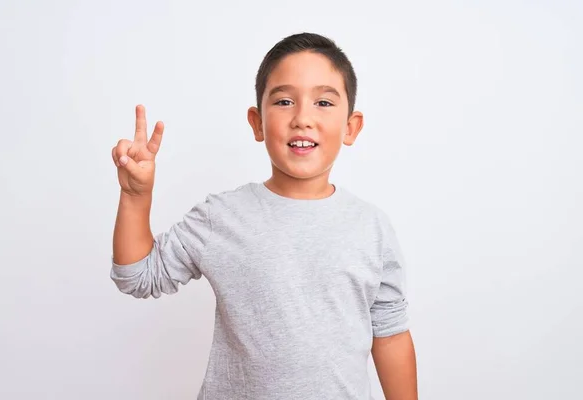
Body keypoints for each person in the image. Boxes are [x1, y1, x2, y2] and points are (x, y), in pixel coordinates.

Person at [110, 32, 417, 400]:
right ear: (257, 122)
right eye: (285, 101)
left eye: (323, 102)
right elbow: (138, 277)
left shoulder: (372, 228)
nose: (303, 118)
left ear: (350, 127)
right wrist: (135, 196)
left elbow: (392, 334)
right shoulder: (220, 217)